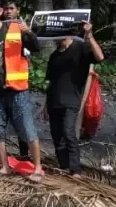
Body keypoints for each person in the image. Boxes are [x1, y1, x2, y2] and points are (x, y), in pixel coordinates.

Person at [0, 0, 44, 182]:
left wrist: (29, 32)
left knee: (27, 128)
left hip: (17, 89)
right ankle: (5, 166)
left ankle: (38, 168)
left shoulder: (15, 28)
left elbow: (36, 47)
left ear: (0, 11)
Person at [44, 21, 104, 177]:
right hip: (53, 101)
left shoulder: (80, 48)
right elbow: (50, 81)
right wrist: (45, 105)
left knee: (69, 132)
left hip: (71, 100)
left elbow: (99, 57)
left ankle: (75, 169)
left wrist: (89, 35)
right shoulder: (54, 55)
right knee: (57, 135)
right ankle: (64, 166)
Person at [0, 0, 31, 161]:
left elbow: (36, 47)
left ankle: (25, 156)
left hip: (19, 85)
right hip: (1, 85)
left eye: (11, 8)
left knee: (22, 123)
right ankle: (4, 159)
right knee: (0, 124)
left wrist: (28, 32)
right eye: (6, 9)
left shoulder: (22, 27)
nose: (8, 11)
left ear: (17, 10)